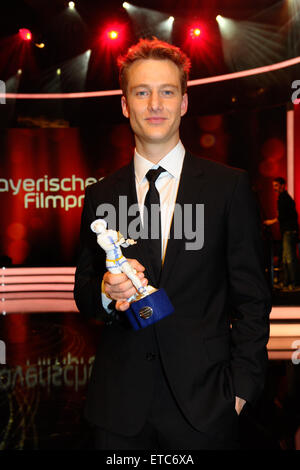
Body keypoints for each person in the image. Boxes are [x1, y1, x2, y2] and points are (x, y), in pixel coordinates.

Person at [74, 38, 271, 450]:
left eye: (167, 91)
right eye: (141, 92)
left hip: (206, 407)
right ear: (125, 105)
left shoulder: (227, 187)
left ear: (184, 102)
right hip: (119, 412)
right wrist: (108, 294)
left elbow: (252, 297)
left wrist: (241, 389)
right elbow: (85, 293)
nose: (155, 104)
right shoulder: (101, 196)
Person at [264, 177, 299, 290]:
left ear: (283, 185)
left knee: (289, 258)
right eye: (274, 186)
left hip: (289, 232)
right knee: (286, 258)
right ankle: (288, 282)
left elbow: (282, 216)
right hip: (288, 232)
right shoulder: (285, 198)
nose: (274, 188)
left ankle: (293, 283)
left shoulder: (284, 199)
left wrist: (270, 222)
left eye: (276, 186)